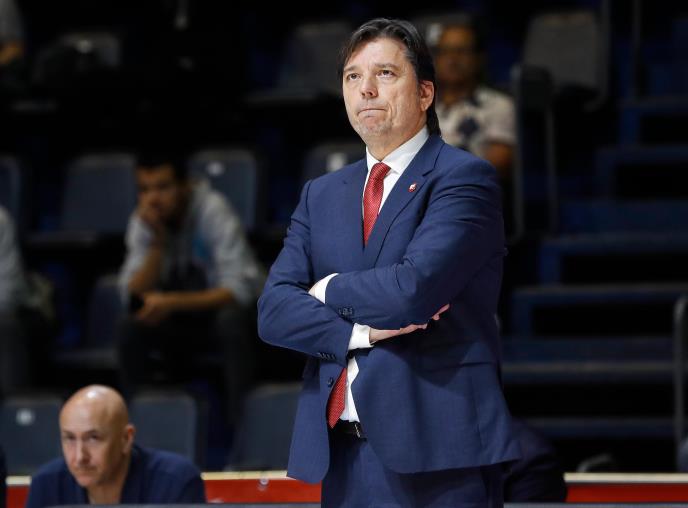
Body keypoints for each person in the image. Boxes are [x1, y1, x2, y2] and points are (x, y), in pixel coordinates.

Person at [257, 17, 520, 507]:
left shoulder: (464, 178)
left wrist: (324, 290)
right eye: (353, 76)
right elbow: (272, 311)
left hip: (440, 455)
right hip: (342, 453)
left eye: (385, 73)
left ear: (425, 93)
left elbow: (411, 291)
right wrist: (359, 333)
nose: (366, 89)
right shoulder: (321, 193)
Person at [118, 152, 265, 425]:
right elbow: (132, 295)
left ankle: (243, 427)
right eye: (144, 190)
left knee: (231, 321)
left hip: (224, 319)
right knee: (131, 327)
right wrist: (157, 245)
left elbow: (239, 290)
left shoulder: (212, 210)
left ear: (185, 185)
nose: (153, 199)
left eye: (162, 187)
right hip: (181, 323)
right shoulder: (144, 221)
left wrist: (172, 302)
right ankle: (139, 425)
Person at [25, 385, 206, 508]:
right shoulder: (46, 484)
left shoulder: (175, 481)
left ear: (126, 439)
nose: (80, 457)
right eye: (70, 438)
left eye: (93, 438)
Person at [433, 20, 515, 183]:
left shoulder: (499, 105)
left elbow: (497, 164)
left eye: (461, 51)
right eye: (445, 51)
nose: (452, 59)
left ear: (479, 58)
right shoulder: (419, 106)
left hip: (468, 191)